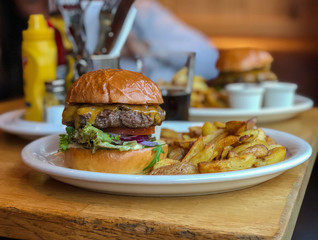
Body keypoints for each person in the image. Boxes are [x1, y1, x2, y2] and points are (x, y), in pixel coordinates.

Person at [0, 0, 219, 100]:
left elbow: (209, 61)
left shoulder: (135, 9)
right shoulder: (16, 29)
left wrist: (139, 48)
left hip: (162, 107)